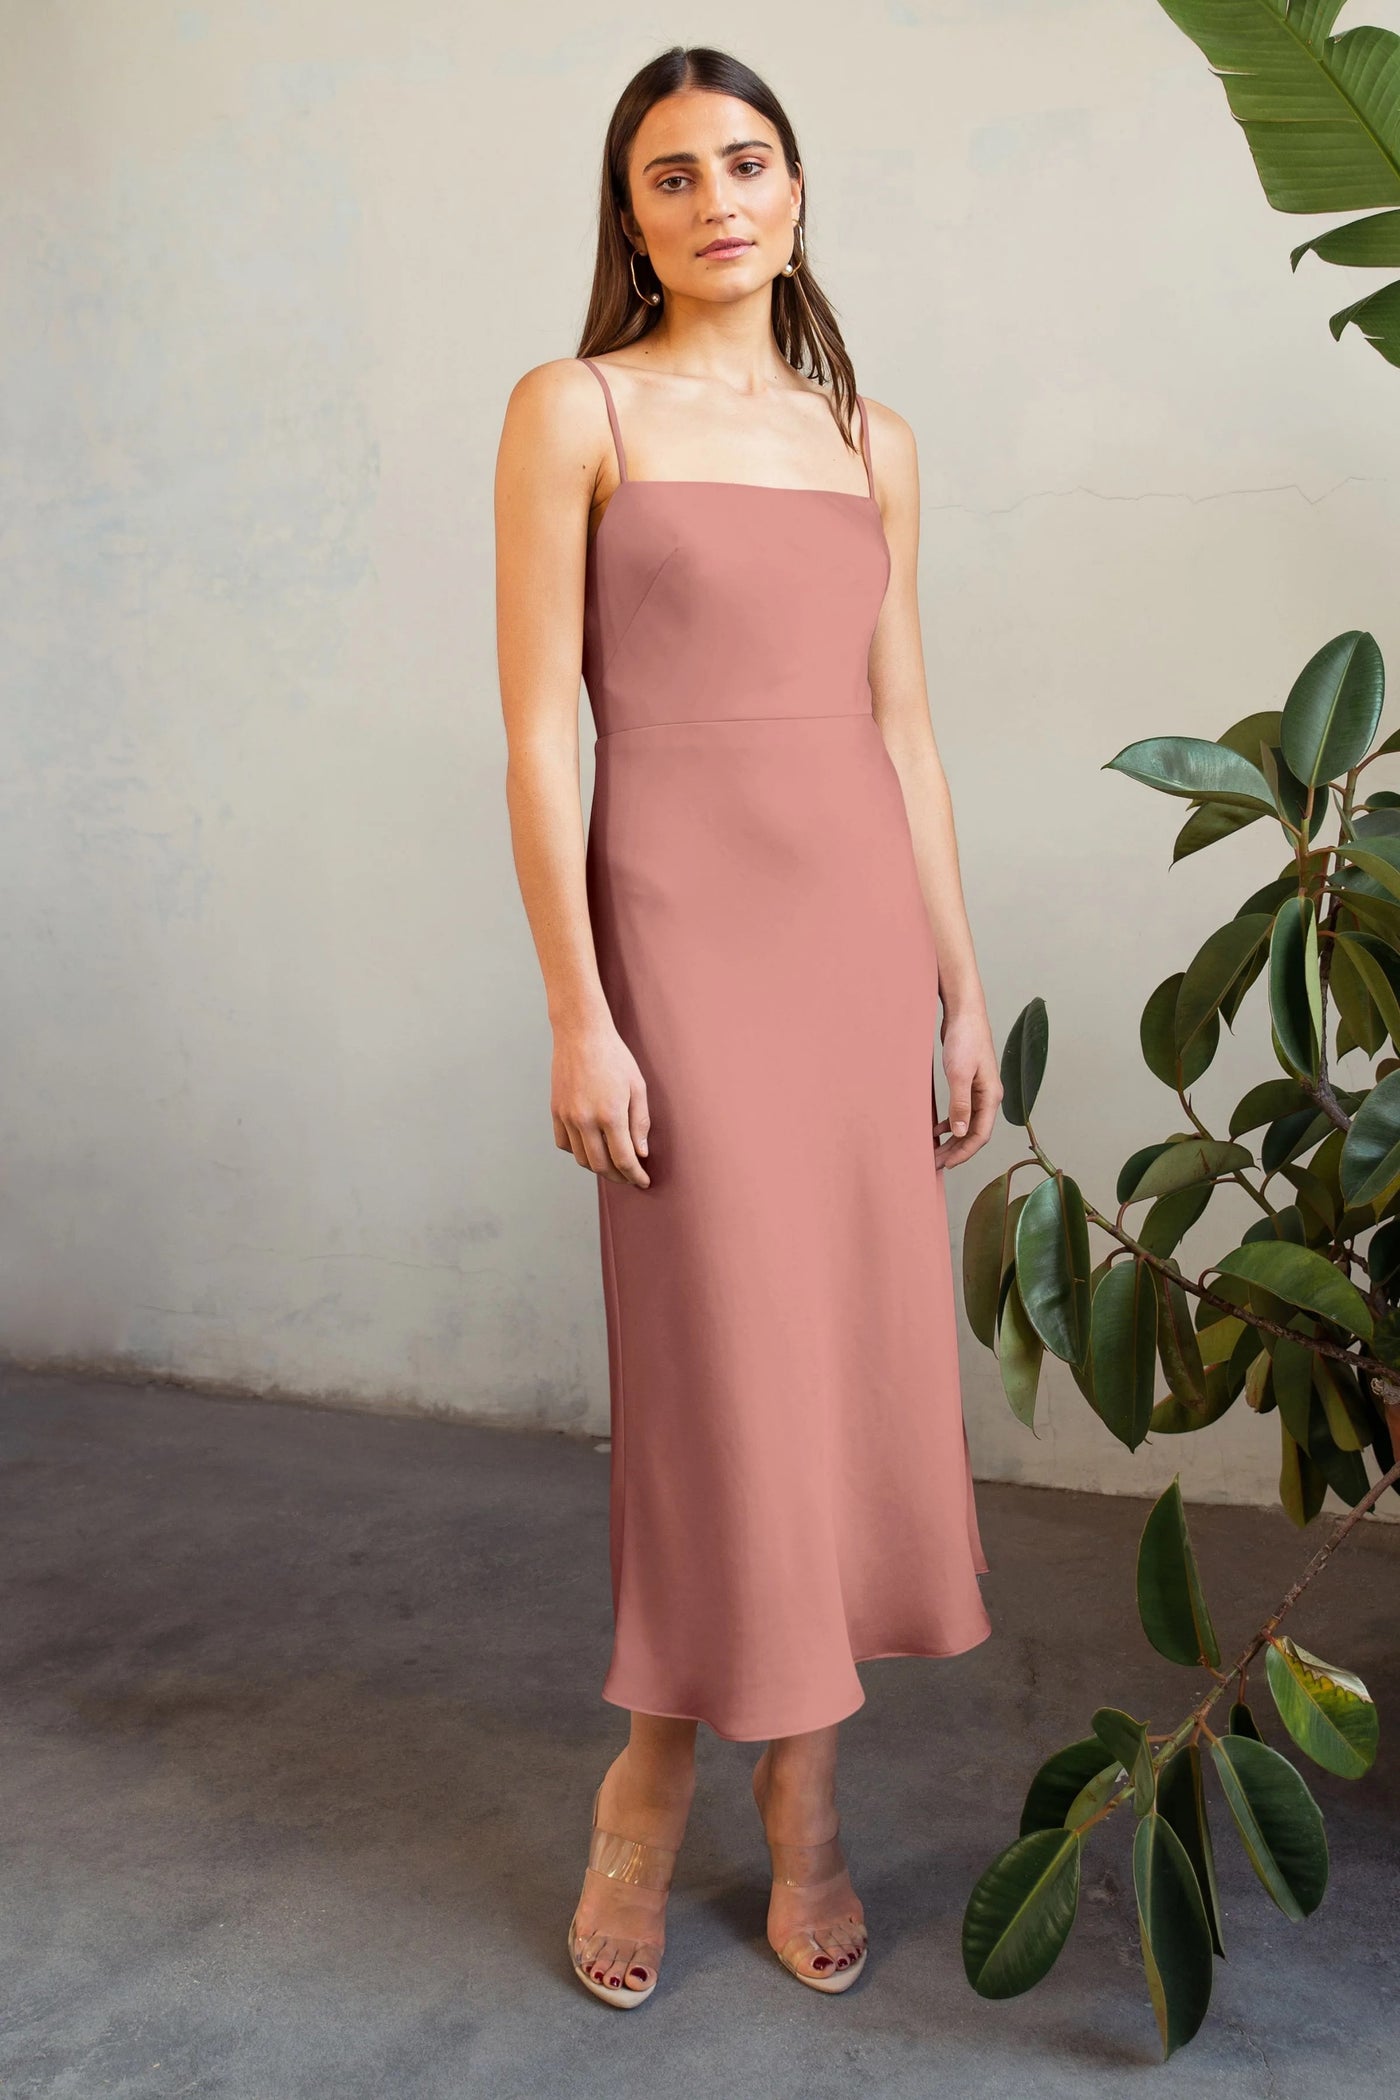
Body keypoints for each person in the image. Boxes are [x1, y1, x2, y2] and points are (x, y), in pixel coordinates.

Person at [495, 44, 1001, 2009]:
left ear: (797, 191)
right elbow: (544, 726)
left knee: (846, 1366)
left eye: (749, 162)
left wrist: (960, 982)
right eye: (673, 175)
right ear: (629, 219)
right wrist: (578, 1007)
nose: (719, 198)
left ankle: (806, 1793)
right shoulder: (575, 409)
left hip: (854, 940)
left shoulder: (869, 436)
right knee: (718, 1380)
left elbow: (904, 728)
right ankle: (647, 1779)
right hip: (678, 940)